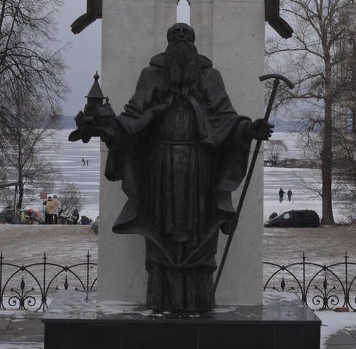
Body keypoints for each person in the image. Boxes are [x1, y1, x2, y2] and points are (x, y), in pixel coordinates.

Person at [79, 23, 272, 313]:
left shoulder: (210, 77)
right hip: (160, 168)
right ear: (167, 44)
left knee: (200, 231)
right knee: (161, 231)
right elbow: (133, 116)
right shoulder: (151, 76)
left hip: (200, 169)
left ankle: (199, 300)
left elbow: (226, 118)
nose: (181, 40)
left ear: (194, 44)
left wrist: (248, 130)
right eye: (175, 36)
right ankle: (161, 299)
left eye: (187, 36)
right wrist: (109, 130)